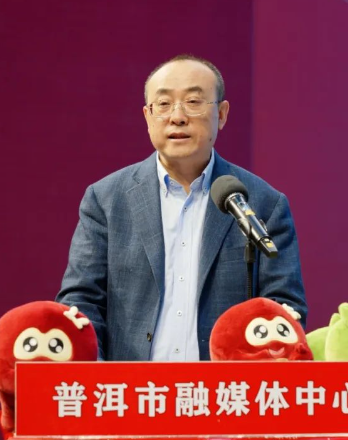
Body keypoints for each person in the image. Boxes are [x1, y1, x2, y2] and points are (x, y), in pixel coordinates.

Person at [56, 54, 306, 361]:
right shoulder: (106, 200)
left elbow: (283, 307)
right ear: (148, 116)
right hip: (129, 386)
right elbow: (81, 301)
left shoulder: (262, 203)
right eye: (163, 104)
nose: (177, 116)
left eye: (193, 102)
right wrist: (97, 375)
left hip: (225, 388)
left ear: (222, 114)